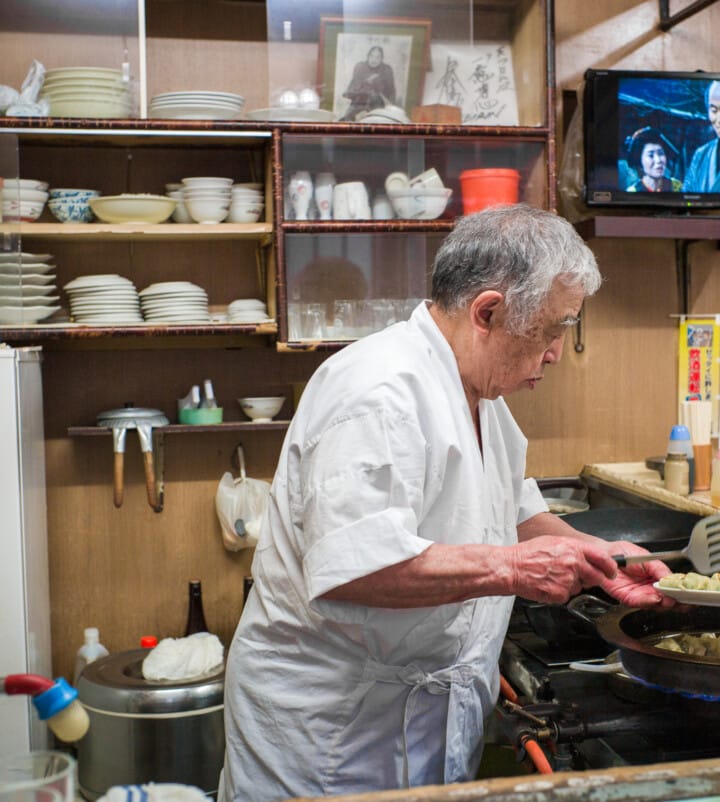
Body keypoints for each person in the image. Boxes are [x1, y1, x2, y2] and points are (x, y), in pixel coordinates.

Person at [220, 205, 674, 802]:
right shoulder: (378, 392)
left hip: (420, 722)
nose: (557, 353)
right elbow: (358, 567)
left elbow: (509, 512)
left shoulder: (482, 392)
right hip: (334, 739)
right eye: (554, 327)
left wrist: (598, 556)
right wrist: (515, 569)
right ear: (487, 311)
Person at [341, 45, 396, 121]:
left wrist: (377, 87)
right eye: (372, 56)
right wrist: (367, 83)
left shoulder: (386, 70)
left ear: (382, 59)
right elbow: (354, 89)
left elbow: (391, 91)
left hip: (379, 105)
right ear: (367, 56)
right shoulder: (360, 67)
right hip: (359, 103)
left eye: (378, 57)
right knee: (347, 121)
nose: (374, 60)